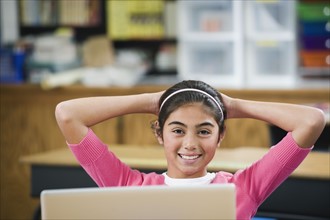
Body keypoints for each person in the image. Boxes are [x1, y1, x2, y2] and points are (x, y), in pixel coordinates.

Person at [55, 80, 325, 219]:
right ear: (160, 134)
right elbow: (68, 115)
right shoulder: (128, 186)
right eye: (177, 130)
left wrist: (232, 106)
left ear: (221, 136)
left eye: (205, 131)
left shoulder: (243, 188)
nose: (191, 143)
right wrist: (151, 100)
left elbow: (311, 121)